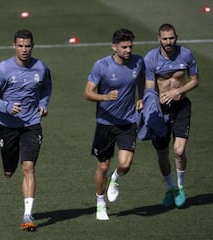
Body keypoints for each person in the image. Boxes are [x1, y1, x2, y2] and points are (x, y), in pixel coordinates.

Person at [0, 29, 52, 231]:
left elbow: (46, 87)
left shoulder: (41, 67)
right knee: (9, 170)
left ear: (33, 46)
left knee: (29, 167)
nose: (24, 49)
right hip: (7, 126)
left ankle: (27, 215)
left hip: (31, 124)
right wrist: (6, 106)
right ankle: (8, 167)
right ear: (14, 46)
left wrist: (43, 103)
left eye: (28, 46)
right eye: (20, 45)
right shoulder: (4, 69)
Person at [84, 29, 145, 220]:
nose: (128, 50)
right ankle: (100, 203)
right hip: (105, 123)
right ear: (114, 47)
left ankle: (115, 179)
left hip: (128, 122)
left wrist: (142, 96)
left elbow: (142, 78)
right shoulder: (101, 66)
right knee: (103, 167)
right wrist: (104, 96)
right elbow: (87, 93)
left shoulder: (138, 62)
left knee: (125, 164)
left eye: (130, 46)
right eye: (124, 47)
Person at [144, 23, 199, 208]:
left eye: (172, 38)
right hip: (160, 111)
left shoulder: (186, 54)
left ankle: (181, 187)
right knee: (162, 152)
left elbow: (194, 81)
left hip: (181, 106)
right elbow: (150, 86)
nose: (169, 42)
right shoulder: (151, 58)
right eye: (165, 38)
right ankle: (170, 187)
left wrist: (178, 91)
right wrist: (147, 103)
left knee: (179, 150)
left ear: (176, 37)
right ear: (159, 39)